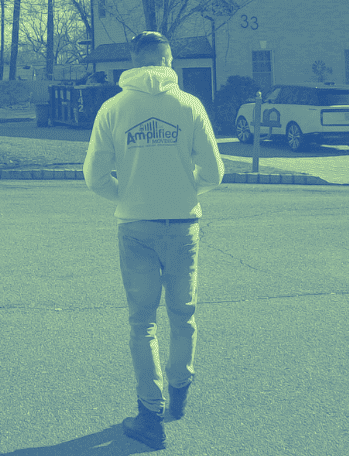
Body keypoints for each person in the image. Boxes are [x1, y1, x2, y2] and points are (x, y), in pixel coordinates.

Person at [84, 31, 225, 450]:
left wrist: (127, 195)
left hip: (136, 227)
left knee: (142, 322)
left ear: (132, 60)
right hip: (184, 225)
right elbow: (215, 173)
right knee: (183, 313)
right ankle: (179, 393)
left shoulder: (114, 107)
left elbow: (94, 176)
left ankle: (150, 413)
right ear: (167, 60)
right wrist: (185, 189)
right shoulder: (189, 105)